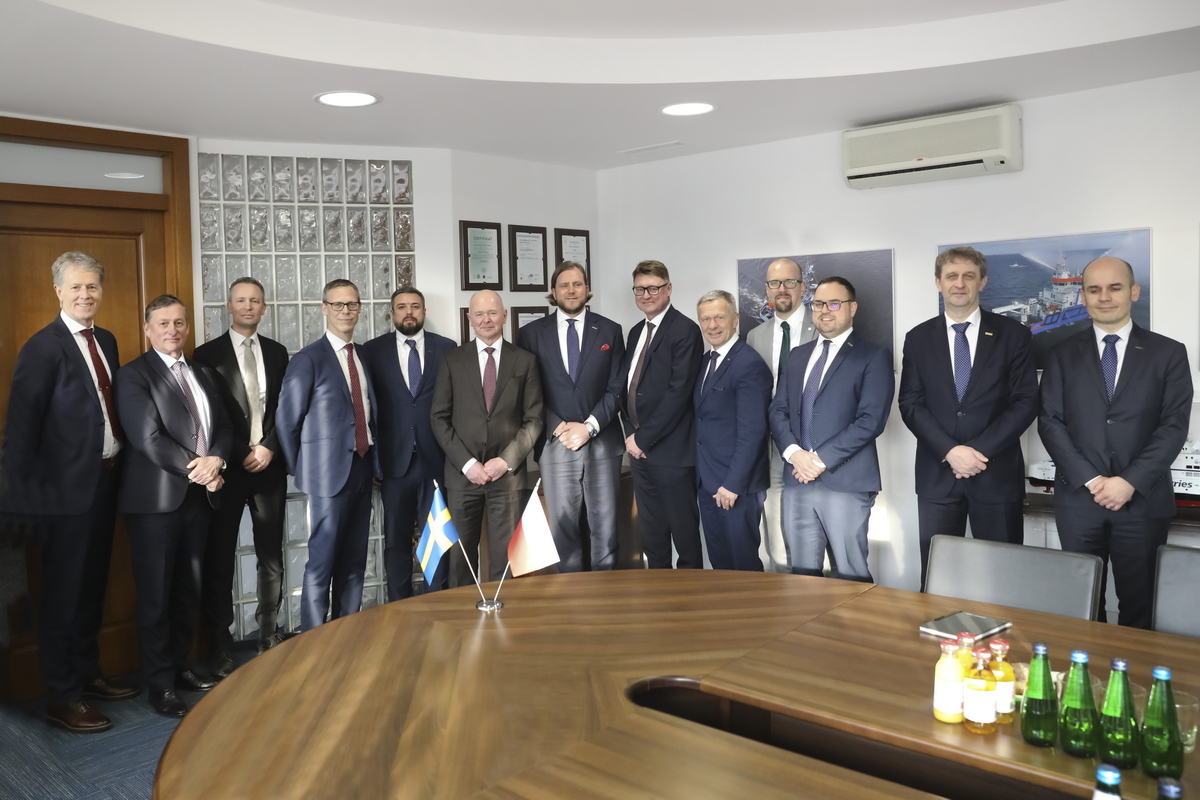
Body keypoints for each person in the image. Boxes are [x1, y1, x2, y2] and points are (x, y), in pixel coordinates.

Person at [0, 252, 137, 732]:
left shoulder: (107, 340)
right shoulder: (42, 348)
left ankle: (87, 673)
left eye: (92, 286)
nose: (85, 295)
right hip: (61, 497)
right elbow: (21, 431)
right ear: (58, 290)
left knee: (93, 586)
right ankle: (63, 696)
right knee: (63, 593)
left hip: (106, 483)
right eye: (76, 287)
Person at [1038, 256, 1191, 628]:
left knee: (1140, 609)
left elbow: (1173, 426)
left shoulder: (1169, 353)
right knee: (1081, 607)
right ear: (1084, 297)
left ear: (1133, 292)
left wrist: (1128, 482)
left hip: (1142, 501)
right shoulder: (1061, 355)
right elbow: (1050, 423)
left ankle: (1131, 670)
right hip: (1079, 501)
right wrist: (1092, 480)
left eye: (1115, 287)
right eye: (1094, 289)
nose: (1104, 297)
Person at [116, 295, 231, 717]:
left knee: (188, 590)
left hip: (199, 501)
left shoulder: (202, 373)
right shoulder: (133, 375)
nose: (172, 330)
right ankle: (160, 684)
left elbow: (223, 426)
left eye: (179, 322)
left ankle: (181, 666)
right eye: (163, 323)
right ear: (147, 329)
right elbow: (148, 438)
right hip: (155, 504)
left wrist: (217, 460)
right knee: (156, 597)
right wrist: (202, 470)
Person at [898, 247, 1038, 588]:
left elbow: (1025, 402)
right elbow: (911, 403)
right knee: (938, 579)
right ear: (938, 282)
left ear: (982, 282)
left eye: (968, 276)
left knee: (1004, 579)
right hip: (937, 477)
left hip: (996, 475)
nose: (959, 283)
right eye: (951, 276)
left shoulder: (1013, 334)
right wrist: (950, 451)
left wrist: (977, 452)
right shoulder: (918, 338)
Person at [192, 277, 289, 670]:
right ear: (229, 307)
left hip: (269, 466)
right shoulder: (205, 354)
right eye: (241, 300)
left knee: (271, 555)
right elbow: (208, 414)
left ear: (264, 308)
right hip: (227, 470)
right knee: (220, 557)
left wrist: (269, 446)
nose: (248, 306)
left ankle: (268, 632)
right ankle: (220, 642)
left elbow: (284, 407)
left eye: (255, 300)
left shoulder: (278, 352)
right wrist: (241, 451)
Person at [769, 277, 893, 582]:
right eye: (819, 304)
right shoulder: (798, 355)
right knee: (802, 576)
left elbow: (871, 420)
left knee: (851, 573)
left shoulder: (873, 355)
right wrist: (795, 454)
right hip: (797, 479)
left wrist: (818, 461)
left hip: (845, 481)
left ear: (852, 308)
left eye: (834, 303)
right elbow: (778, 409)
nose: (825, 310)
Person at [277, 279, 379, 631]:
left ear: (359, 308)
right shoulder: (308, 359)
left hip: (362, 468)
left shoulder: (363, 355)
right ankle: (314, 640)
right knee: (321, 563)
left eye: (351, 304)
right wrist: (302, 469)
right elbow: (286, 421)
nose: (345, 311)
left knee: (354, 561)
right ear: (324, 308)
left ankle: (345, 635)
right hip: (325, 477)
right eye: (337, 304)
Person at [518, 262, 625, 571]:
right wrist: (559, 426)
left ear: (587, 289)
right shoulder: (530, 334)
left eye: (577, 284)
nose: (571, 290)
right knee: (563, 533)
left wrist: (589, 427)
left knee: (606, 532)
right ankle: (571, 596)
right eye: (564, 285)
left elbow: (617, 387)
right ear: (553, 292)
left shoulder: (610, 330)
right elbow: (528, 391)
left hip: (602, 444)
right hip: (556, 443)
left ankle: (604, 595)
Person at [431, 290, 543, 585]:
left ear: (504, 316)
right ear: (469, 319)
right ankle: (464, 613)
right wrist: (468, 464)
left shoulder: (525, 361)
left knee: (506, 562)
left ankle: (502, 612)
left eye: (492, 313)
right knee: (461, 562)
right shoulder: (451, 360)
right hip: (462, 477)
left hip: (507, 478)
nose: (486, 319)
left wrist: (505, 461)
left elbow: (534, 420)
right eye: (479, 314)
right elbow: (439, 418)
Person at [362, 286, 455, 599]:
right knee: (396, 540)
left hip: (436, 460)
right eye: (402, 307)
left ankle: (437, 600)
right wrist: (374, 461)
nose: (409, 312)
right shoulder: (373, 351)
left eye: (415, 306)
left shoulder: (447, 348)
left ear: (424, 312)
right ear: (392, 313)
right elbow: (369, 409)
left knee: (437, 538)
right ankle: (398, 605)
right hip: (393, 463)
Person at [620, 261, 704, 569]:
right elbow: (628, 387)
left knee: (684, 536)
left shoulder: (685, 330)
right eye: (640, 289)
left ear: (668, 289)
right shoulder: (635, 332)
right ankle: (657, 590)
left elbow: (678, 394)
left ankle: (690, 595)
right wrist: (632, 437)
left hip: (672, 454)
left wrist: (642, 438)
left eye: (653, 288)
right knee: (651, 536)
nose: (646, 294)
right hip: (639, 452)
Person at [746, 258, 817, 573]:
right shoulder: (755, 336)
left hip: (811, 448)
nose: (782, 289)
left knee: (814, 538)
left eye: (790, 282)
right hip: (771, 447)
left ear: (803, 286)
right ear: (767, 289)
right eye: (775, 283)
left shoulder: (821, 326)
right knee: (776, 537)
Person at [693, 291, 773, 571]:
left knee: (743, 566)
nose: (712, 325)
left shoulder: (749, 364)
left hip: (736, 486)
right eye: (705, 319)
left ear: (735, 319)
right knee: (720, 565)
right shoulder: (706, 361)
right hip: (708, 481)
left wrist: (732, 485)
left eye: (719, 317)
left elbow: (753, 432)